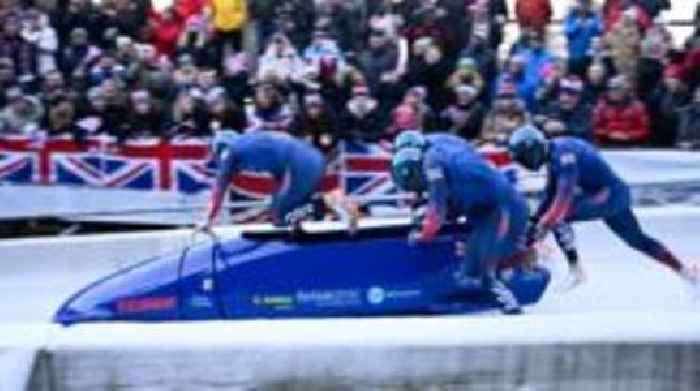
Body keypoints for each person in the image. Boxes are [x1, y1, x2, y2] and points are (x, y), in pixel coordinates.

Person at [508, 125, 697, 289]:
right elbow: (550, 194)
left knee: (558, 218)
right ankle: (686, 273)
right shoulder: (557, 151)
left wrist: (536, 231)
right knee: (639, 241)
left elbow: (561, 199)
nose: (525, 164)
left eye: (523, 158)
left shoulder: (564, 157)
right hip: (614, 194)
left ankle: (575, 269)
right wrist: (534, 222)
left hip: (607, 196)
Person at [391, 130, 531, 315]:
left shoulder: (433, 165)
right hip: (481, 200)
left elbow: (436, 213)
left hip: (497, 208)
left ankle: (509, 302)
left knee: (480, 269)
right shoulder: (438, 143)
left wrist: (422, 236)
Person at [200, 130, 326, 230]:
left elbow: (219, 188)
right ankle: (313, 206)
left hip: (300, 163)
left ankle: (316, 206)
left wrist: (208, 219)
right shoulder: (251, 144)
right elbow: (280, 175)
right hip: (311, 158)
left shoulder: (230, 152)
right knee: (280, 209)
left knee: (280, 215)